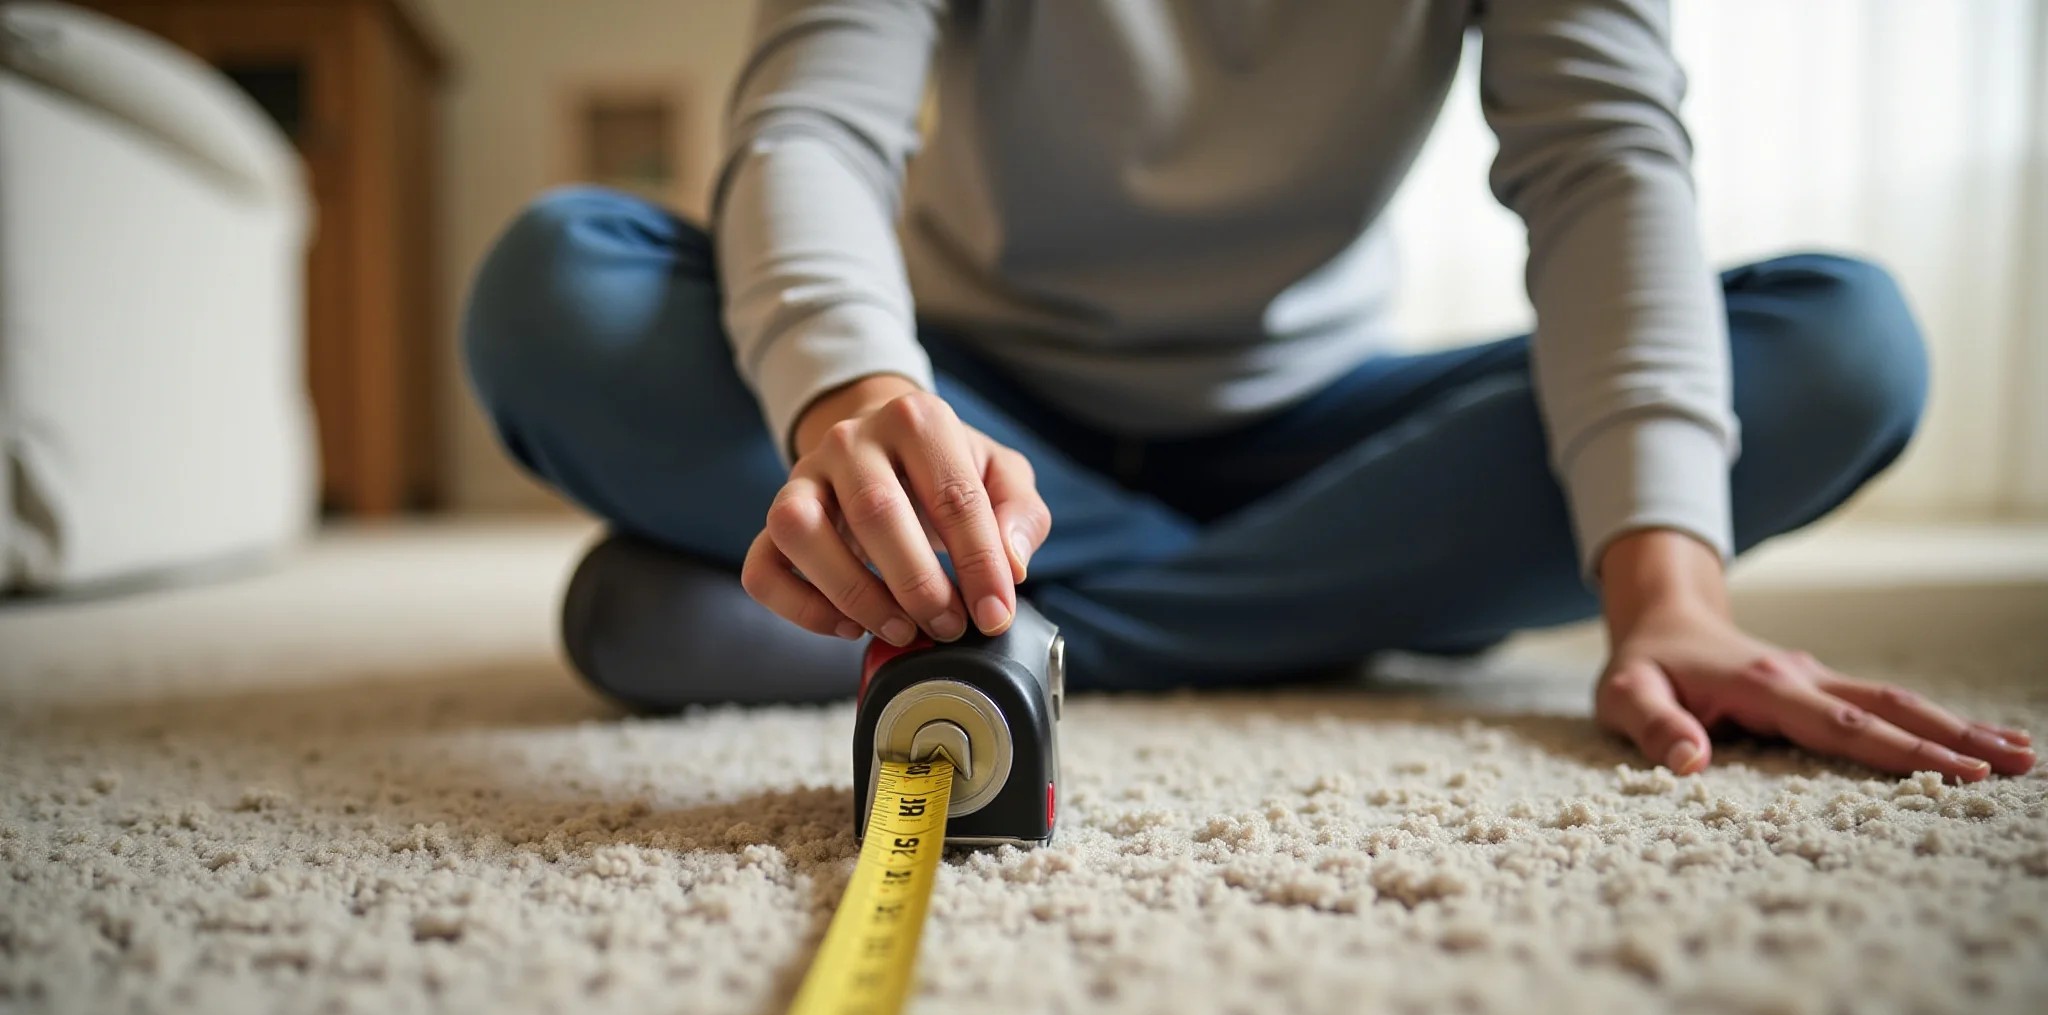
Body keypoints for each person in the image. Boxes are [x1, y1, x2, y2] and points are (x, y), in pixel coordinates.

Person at [461, 0, 2034, 782]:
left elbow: (1605, 161)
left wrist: (1669, 594)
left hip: (1333, 437)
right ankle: (1346, 610)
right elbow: (809, 121)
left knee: (1846, 343)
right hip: (975, 423)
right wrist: (854, 401)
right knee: (557, 285)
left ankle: (1009, 622)